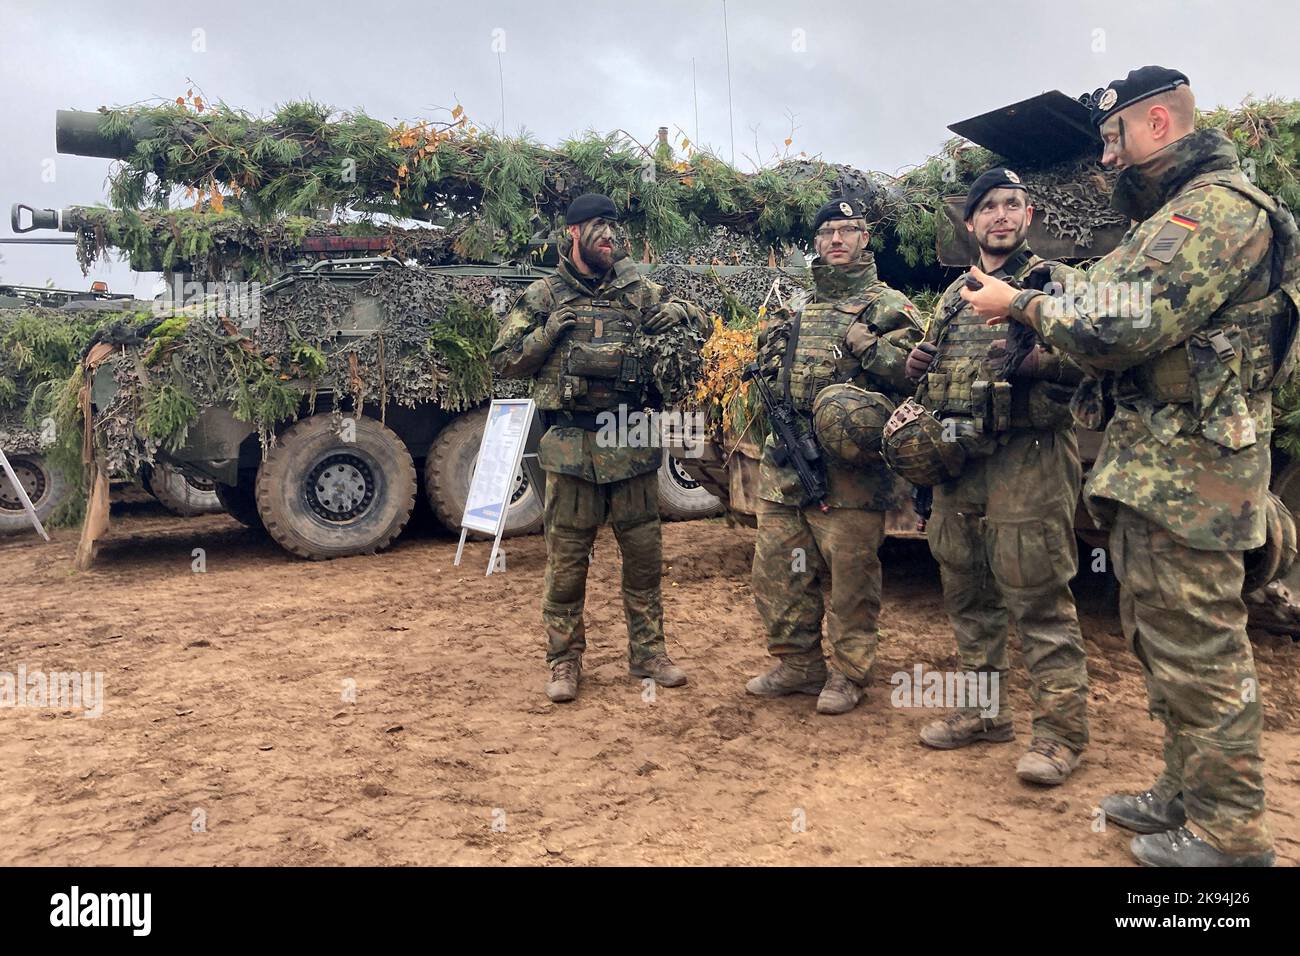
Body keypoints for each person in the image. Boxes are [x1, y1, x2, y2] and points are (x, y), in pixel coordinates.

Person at [961, 66, 1298, 866]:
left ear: (1154, 126)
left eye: (1112, 138)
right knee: (1158, 639)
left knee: (1201, 650)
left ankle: (1231, 834)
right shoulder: (1165, 220)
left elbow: (1125, 323)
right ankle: (1184, 793)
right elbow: (1113, 291)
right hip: (1157, 469)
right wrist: (1056, 285)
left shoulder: (1217, 212)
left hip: (1195, 473)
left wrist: (1024, 305)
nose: (1106, 158)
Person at [904, 168, 1090, 785]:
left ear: (1028, 216)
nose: (1001, 216)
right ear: (971, 224)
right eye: (988, 208)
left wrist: (1039, 359)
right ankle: (984, 714)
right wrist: (918, 365)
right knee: (968, 593)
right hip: (961, 464)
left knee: (1037, 595)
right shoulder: (955, 293)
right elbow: (934, 372)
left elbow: (1098, 356)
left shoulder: (1054, 283)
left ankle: (1060, 734)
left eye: (1012, 205)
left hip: (1029, 458)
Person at [490, 193, 708, 703]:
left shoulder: (638, 290)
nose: (610, 235)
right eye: (598, 227)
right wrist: (545, 336)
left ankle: (649, 654)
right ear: (573, 233)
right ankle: (564, 660)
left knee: (644, 558)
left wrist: (677, 311)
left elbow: (699, 324)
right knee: (567, 562)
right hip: (570, 442)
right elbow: (503, 358)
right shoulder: (545, 295)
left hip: (630, 438)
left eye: (614, 227)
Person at [746, 196, 923, 715]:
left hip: (853, 473)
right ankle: (799, 664)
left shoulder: (890, 306)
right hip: (788, 464)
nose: (837, 240)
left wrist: (872, 349)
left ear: (865, 238)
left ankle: (849, 673)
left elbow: (917, 376)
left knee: (851, 577)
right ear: (816, 244)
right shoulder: (799, 310)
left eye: (848, 230)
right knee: (775, 570)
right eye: (828, 233)